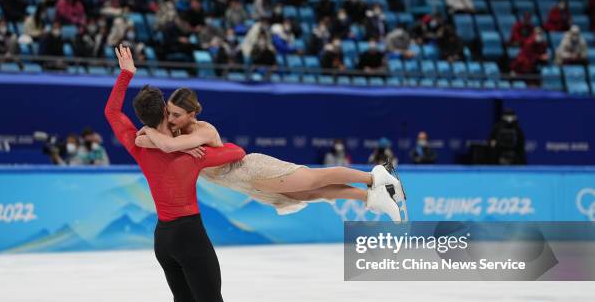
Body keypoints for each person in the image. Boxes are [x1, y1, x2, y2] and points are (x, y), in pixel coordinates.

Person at [107, 46, 246, 302]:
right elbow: (237, 153)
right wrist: (198, 144)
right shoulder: (192, 152)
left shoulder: (137, 142)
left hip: (163, 238)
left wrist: (126, 75)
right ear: (165, 115)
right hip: (189, 235)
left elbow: (112, 111)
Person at [133, 88, 409, 221]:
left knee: (314, 180)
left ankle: (375, 175)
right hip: (247, 186)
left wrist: (163, 139)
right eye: (169, 113)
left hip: (251, 170)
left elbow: (162, 144)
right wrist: (155, 133)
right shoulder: (178, 135)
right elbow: (141, 139)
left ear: (192, 114)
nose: (170, 119)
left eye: (177, 114)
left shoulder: (203, 131)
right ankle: (373, 197)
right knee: (314, 194)